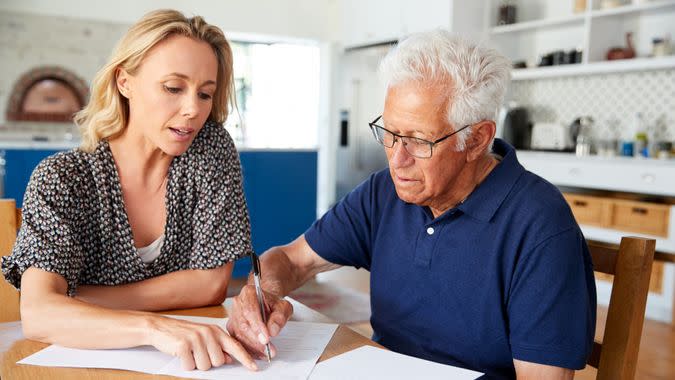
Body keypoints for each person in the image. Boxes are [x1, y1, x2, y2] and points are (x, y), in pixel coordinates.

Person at [227, 30, 596, 379]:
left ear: (477, 139)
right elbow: (292, 259)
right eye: (389, 133)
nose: (396, 159)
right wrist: (262, 295)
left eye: (419, 141)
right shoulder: (384, 192)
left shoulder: (540, 226)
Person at [1, 9, 258, 372]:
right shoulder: (63, 178)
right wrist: (153, 327)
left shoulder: (209, 148)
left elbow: (211, 284)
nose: (192, 110)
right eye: (173, 88)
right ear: (125, 82)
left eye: (205, 94)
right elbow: (40, 315)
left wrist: (79, 299)